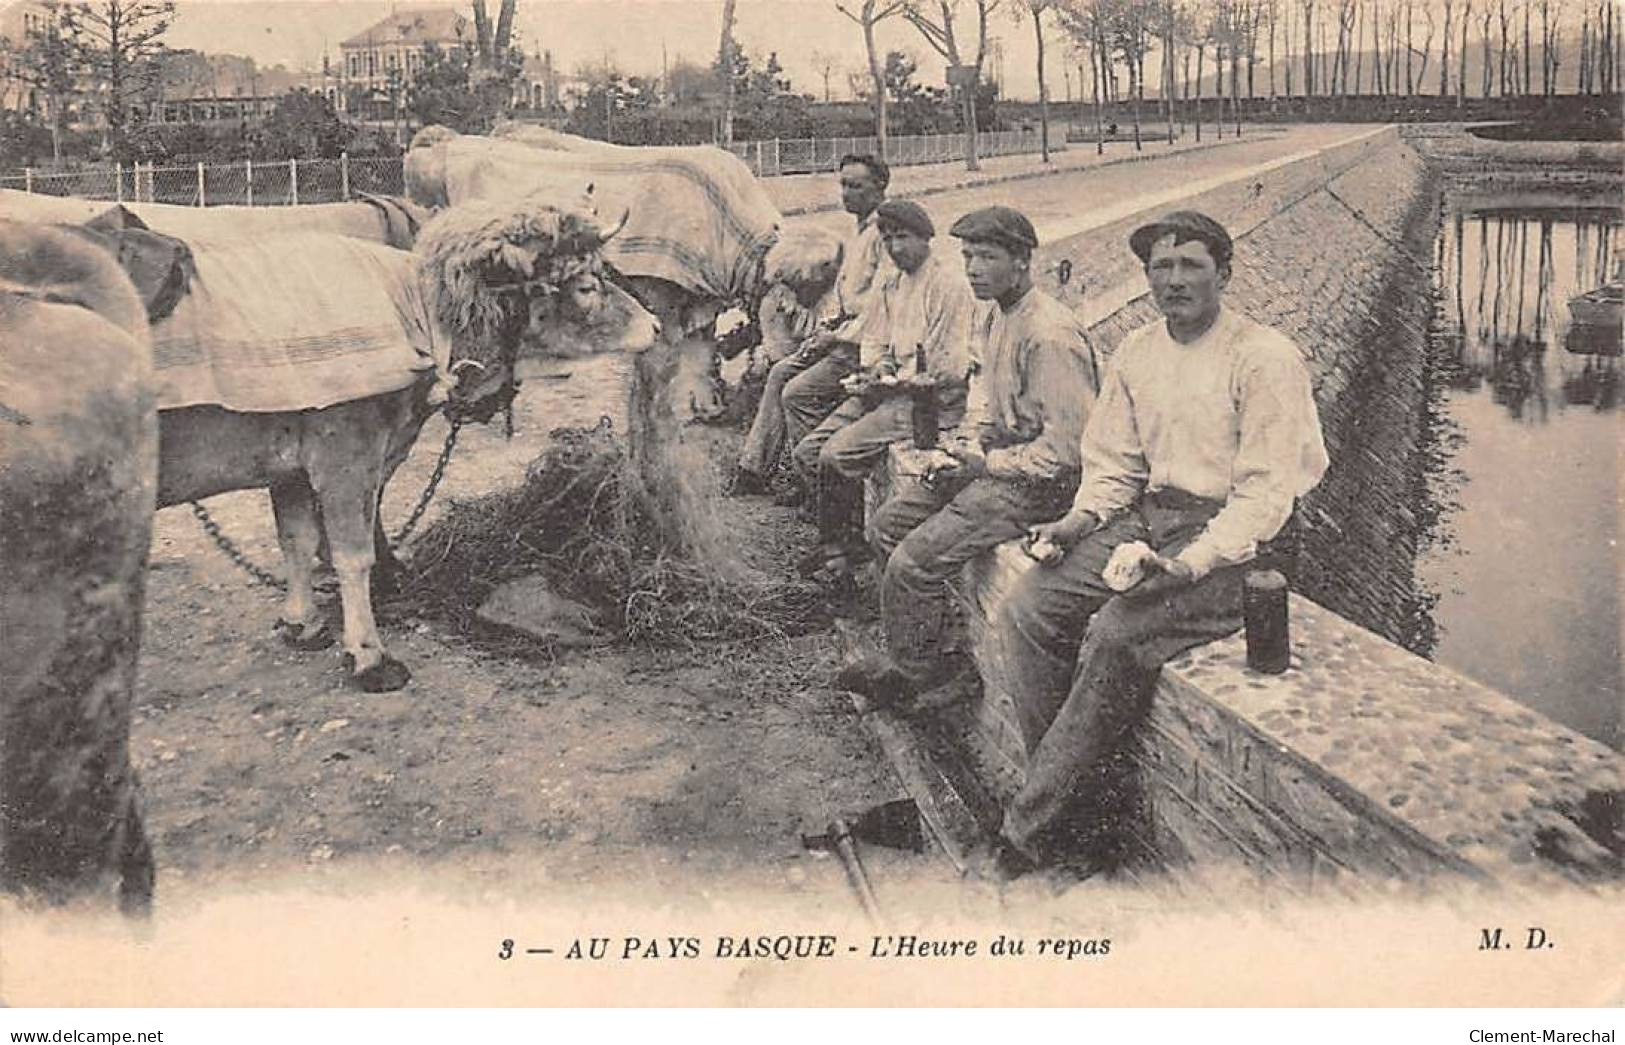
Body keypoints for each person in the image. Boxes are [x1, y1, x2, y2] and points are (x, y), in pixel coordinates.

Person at [980, 210, 1330, 881]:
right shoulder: (1138, 351)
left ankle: (1034, 825)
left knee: (1116, 634)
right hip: (1151, 518)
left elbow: (1263, 496)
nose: (1173, 280)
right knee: (1030, 609)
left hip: (1244, 544)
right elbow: (1114, 463)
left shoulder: (1262, 356)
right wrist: (1075, 524)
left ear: (1223, 274)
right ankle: (1076, 799)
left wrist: (1189, 563)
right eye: (1159, 267)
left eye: (1190, 265)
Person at [837, 205, 1100, 707]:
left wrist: (988, 465)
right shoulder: (998, 313)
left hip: (1040, 489)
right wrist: (967, 451)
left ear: (1022, 261)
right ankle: (921, 650)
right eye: (968, 256)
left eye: (987, 256)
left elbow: (1068, 451)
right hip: (1000, 468)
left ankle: (933, 674)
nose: (973, 268)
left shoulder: (1049, 335)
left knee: (913, 563)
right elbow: (989, 406)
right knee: (886, 526)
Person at [790, 199, 976, 585]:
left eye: (903, 237)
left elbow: (947, 368)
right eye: (888, 238)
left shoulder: (947, 285)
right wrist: (877, 369)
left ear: (926, 238)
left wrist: (895, 379)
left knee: (836, 454)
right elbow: (875, 339)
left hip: (926, 403)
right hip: (887, 390)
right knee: (809, 452)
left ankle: (840, 555)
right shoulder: (891, 282)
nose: (894, 247)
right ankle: (845, 537)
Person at [767, 153, 894, 506]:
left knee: (797, 393)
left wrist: (834, 336)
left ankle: (816, 489)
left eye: (855, 185)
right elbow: (847, 297)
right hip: (842, 334)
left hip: (859, 346)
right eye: (843, 184)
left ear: (880, 186)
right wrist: (826, 328)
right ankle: (764, 469)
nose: (846, 193)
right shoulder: (860, 230)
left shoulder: (885, 234)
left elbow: (878, 307)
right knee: (781, 371)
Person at [730, 228, 844, 495]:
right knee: (781, 375)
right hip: (814, 357)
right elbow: (778, 346)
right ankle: (756, 467)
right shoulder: (782, 297)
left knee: (787, 380)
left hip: (844, 356)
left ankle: (774, 470)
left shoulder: (831, 291)